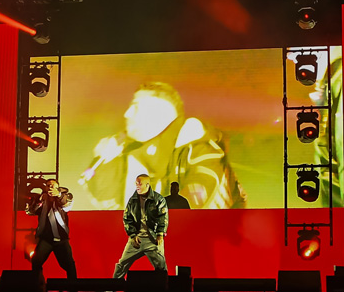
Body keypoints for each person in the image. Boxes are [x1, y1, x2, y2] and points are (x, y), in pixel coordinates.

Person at [79, 81, 246, 210]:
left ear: (159, 112)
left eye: (135, 107)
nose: (126, 113)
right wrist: (105, 164)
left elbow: (196, 200)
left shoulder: (200, 148)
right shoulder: (127, 152)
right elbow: (108, 207)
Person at [113, 174, 168, 279]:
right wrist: (132, 235)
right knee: (122, 265)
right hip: (137, 240)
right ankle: (110, 291)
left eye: (140, 183)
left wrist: (160, 234)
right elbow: (127, 218)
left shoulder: (158, 199)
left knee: (161, 268)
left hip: (153, 239)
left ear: (147, 185)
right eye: (136, 183)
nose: (137, 185)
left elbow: (163, 217)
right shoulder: (132, 200)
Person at [27, 179, 77, 282]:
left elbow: (66, 205)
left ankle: (73, 290)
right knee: (36, 262)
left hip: (61, 239)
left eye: (53, 185)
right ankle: (38, 287)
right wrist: (40, 201)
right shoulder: (41, 198)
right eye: (48, 185)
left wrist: (58, 195)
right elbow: (31, 211)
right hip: (46, 239)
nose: (50, 187)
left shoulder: (65, 196)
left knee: (69, 265)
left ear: (58, 187)